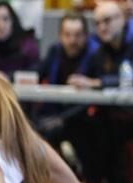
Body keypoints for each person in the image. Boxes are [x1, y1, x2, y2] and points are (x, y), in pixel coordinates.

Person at [64, 0, 133, 183]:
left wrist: (97, 83)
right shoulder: (100, 52)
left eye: (107, 20)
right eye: (97, 23)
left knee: (105, 131)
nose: (102, 27)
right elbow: (82, 77)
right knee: (73, 125)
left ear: (123, 19)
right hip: (107, 117)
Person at [34, 12, 97, 149]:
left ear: (86, 36)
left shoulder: (96, 55)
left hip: (83, 121)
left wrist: (91, 83)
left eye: (77, 35)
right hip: (51, 115)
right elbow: (36, 73)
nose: (72, 41)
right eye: (67, 35)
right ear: (60, 36)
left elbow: (101, 83)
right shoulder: (54, 52)